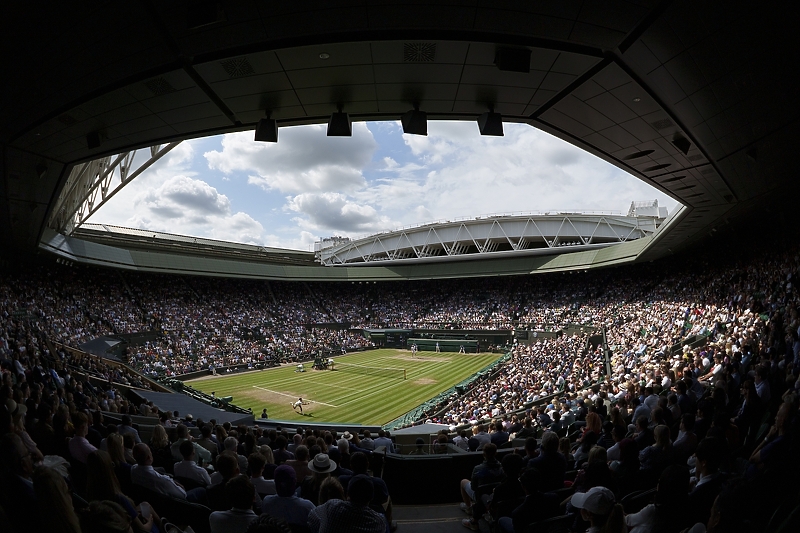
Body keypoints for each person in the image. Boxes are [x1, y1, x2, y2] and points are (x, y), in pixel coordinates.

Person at [308, 475, 387, 533]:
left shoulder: (331, 507)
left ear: (347, 494)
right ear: (371, 498)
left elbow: (311, 518)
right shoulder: (378, 523)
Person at [460, 443, 504, 531]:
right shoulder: (502, 468)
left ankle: (468, 508)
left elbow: (473, 487)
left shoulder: (478, 469)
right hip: (495, 496)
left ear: (484, 454)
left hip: (480, 496)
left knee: (463, 482)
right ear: (496, 453)